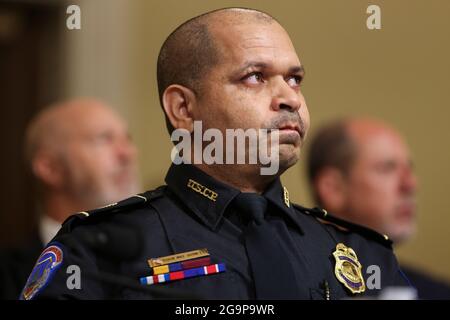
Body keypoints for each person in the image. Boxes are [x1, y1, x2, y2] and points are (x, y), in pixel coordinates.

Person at [21, 8, 410, 300]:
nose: (290, 98)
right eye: (254, 76)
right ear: (184, 110)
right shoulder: (97, 251)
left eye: (295, 78)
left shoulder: (361, 253)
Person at [0, 98, 140, 299]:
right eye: (104, 139)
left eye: (128, 139)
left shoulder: (165, 253)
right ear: (50, 168)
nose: (128, 153)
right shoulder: (8, 277)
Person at [306, 117, 450, 299]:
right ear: (333, 188)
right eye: (387, 168)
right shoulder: (283, 284)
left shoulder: (437, 293)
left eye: (409, 169)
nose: (410, 185)